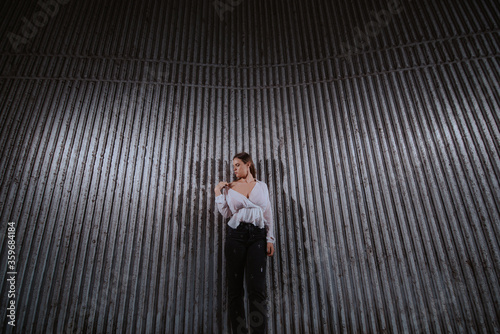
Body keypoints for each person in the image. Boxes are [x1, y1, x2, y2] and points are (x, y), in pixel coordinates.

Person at [214, 152, 275, 334]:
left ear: (248, 164)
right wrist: (218, 192)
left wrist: (269, 238)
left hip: (257, 236)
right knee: (235, 290)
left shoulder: (262, 186)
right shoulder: (229, 187)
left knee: (257, 289)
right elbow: (226, 213)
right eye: (233, 166)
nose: (234, 169)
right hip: (236, 236)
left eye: (237, 165)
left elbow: (268, 214)